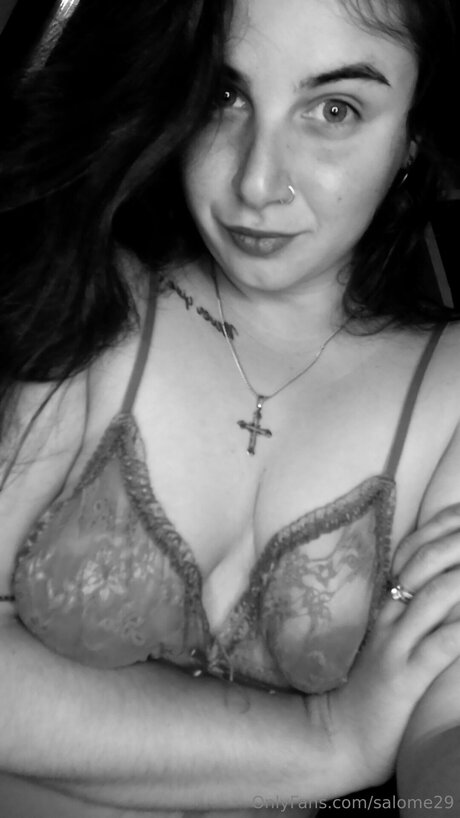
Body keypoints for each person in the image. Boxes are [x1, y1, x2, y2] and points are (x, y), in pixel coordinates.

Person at [1, 0, 460, 816]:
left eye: (334, 110)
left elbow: (445, 734)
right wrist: (328, 741)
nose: (256, 181)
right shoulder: (83, 299)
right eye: (225, 95)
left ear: (413, 136)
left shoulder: (450, 392)